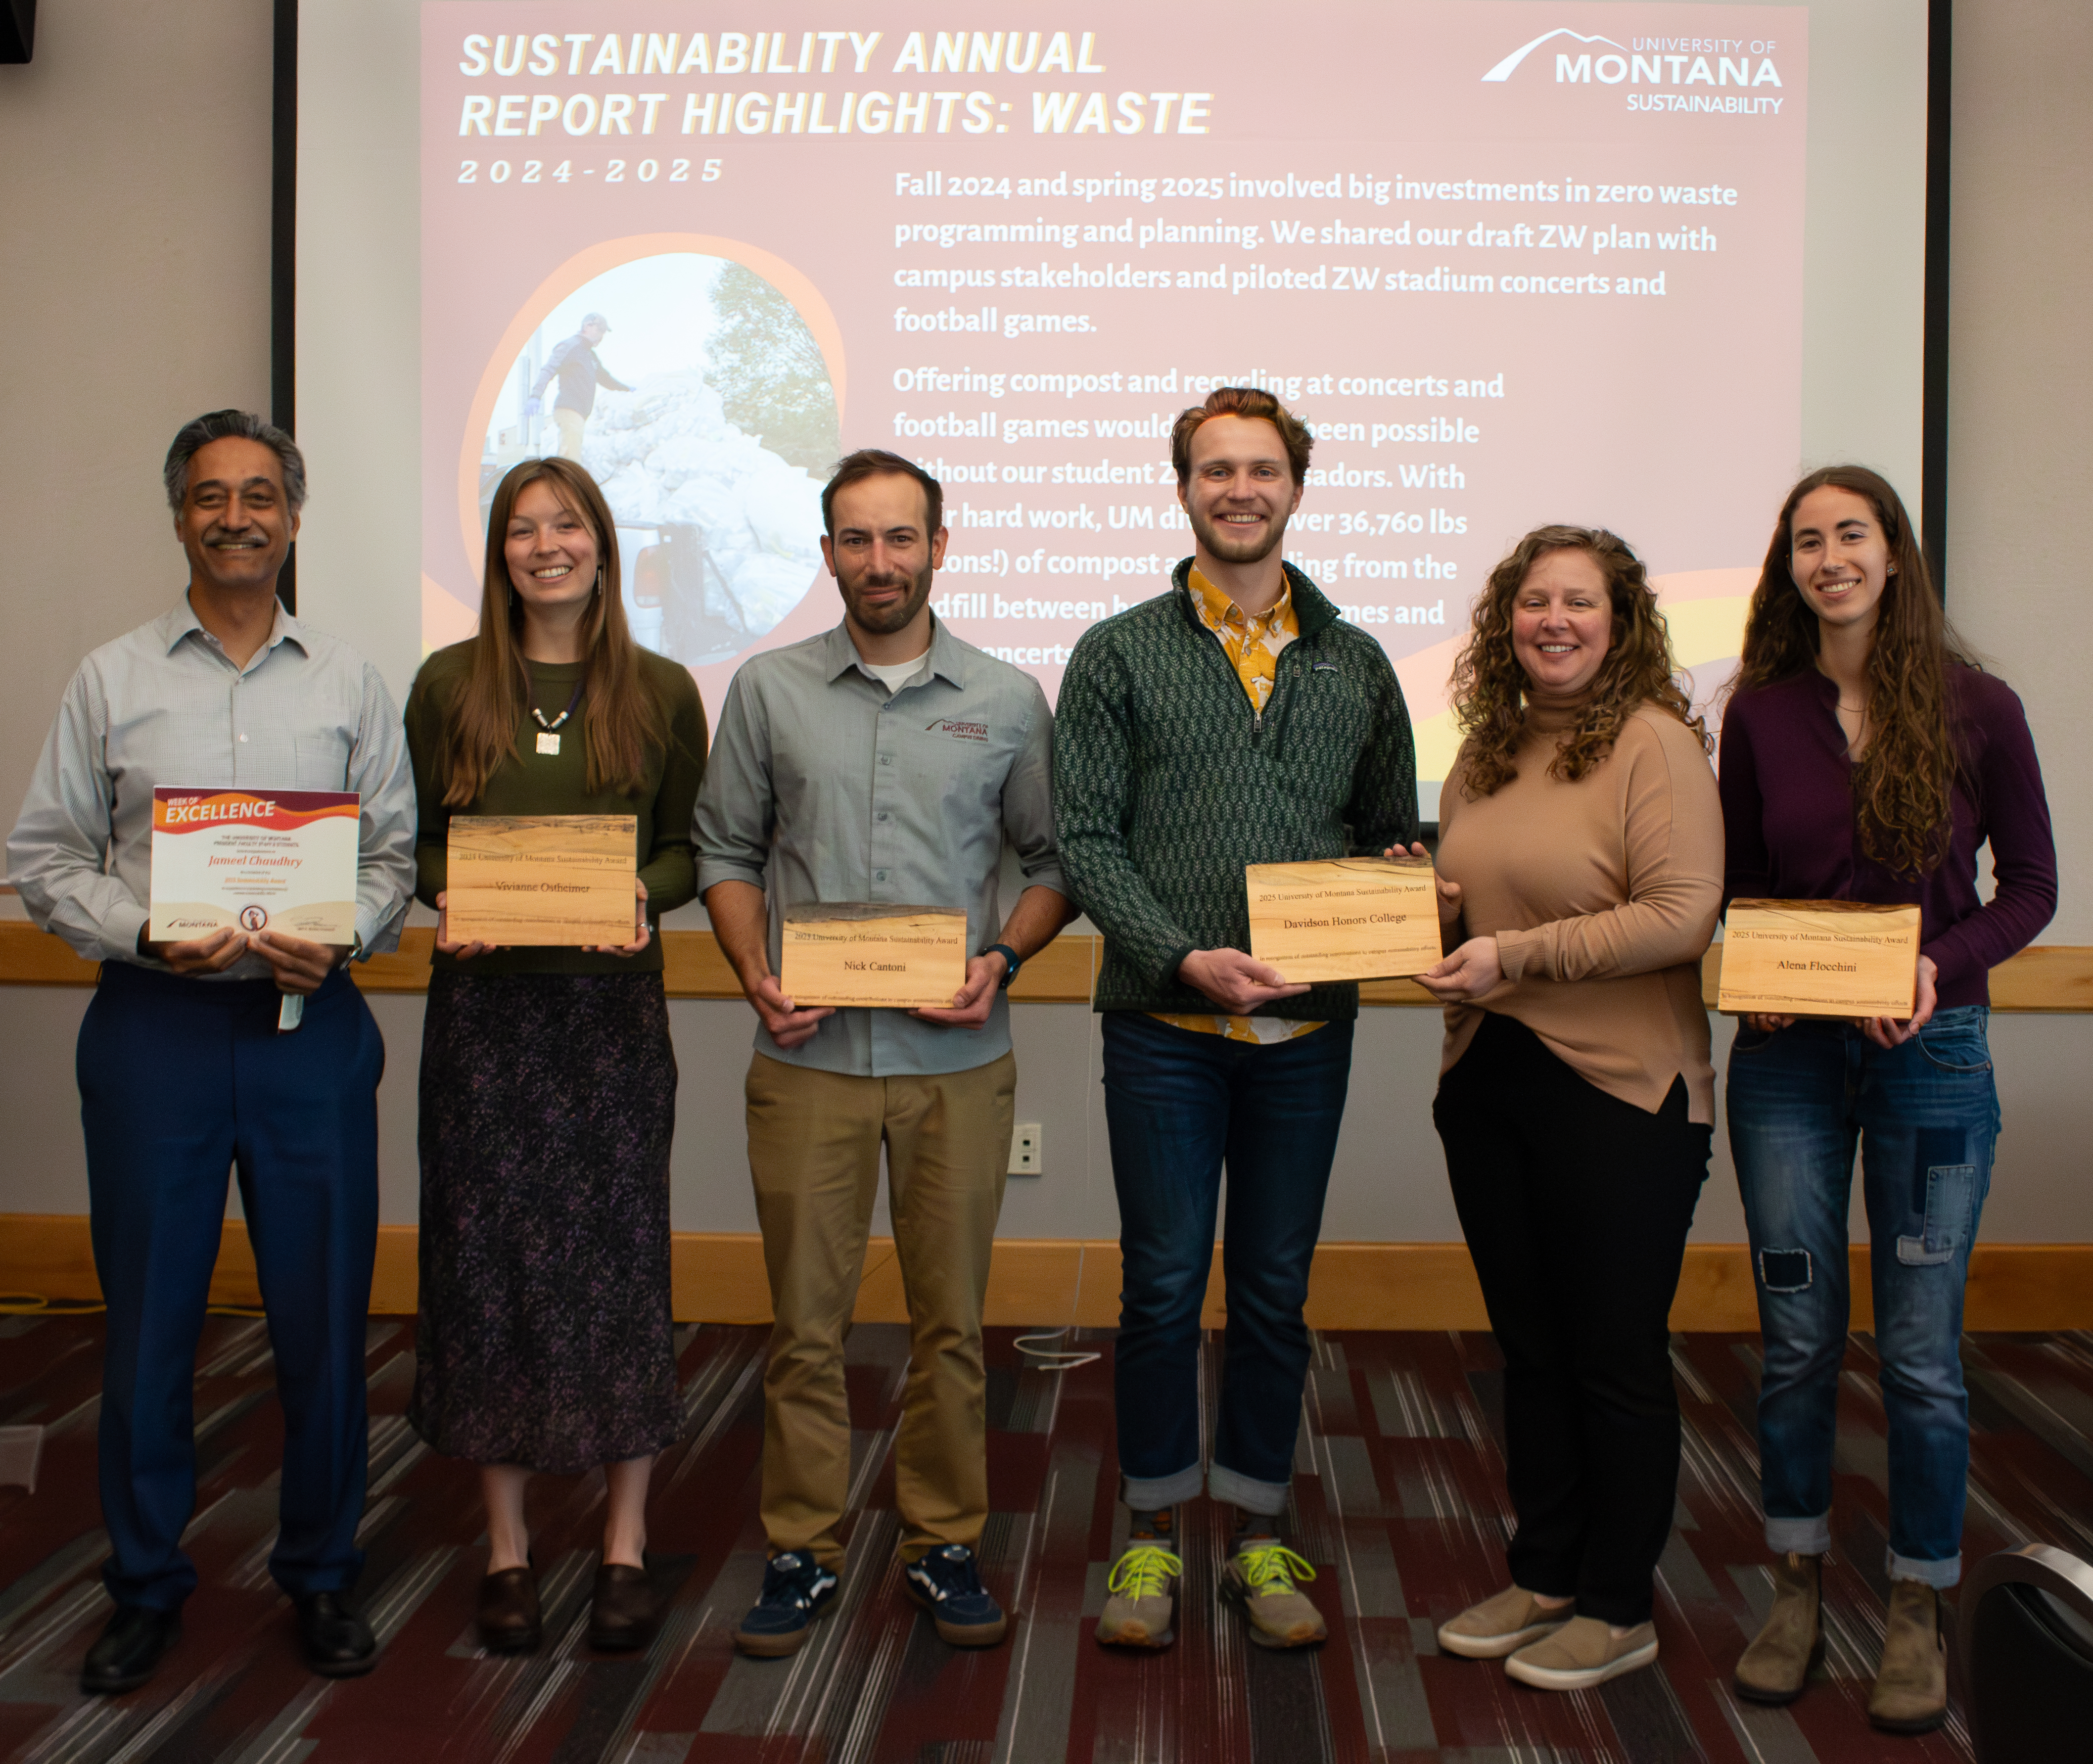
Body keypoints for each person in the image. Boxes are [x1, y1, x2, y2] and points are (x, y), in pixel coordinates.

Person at [7, 410, 416, 1690]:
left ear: (295, 516)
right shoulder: (110, 678)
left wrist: (340, 929)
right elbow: (44, 857)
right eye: (208, 495)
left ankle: (323, 1570)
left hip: (308, 1033)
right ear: (178, 515)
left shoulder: (350, 680)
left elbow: (392, 860)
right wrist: (143, 925)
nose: (235, 515)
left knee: (322, 1321)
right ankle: (144, 1579)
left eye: (258, 494)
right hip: (155, 1033)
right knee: (148, 1324)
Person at [1054, 386, 1417, 1654]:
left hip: (1308, 1039)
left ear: (1295, 488)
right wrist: (1175, 955)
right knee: (1159, 1289)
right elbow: (1083, 839)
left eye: (1262, 469)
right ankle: (1149, 1531)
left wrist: (1396, 902)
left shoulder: (1357, 660)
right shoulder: (1116, 651)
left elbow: (1387, 836)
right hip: (1161, 1031)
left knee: (1271, 1290)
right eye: (1216, 469)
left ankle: (1259, 1524)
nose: (1239, 489)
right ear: (1184, 488)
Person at [695, 448, 1070, 1658]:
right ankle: (802, 1548)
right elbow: (723, 851)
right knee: (804, 1325)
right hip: (806, 1059)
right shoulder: (767, 690)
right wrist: (755, 974)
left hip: (956, 1064)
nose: (878, 562)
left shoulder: (1008, 697)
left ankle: (941, 1539)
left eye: (899, 538)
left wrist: (1001, 959)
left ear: (939, 548)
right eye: (854, 540)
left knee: (948, 1323)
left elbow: (1055, 863)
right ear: (827, 555)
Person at [1720, 467, 2054, 1732]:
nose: (1828, 557)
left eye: (1850, 534)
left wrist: (1935, 965)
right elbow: (1743, 883)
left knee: (1919, 1354)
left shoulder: (1981, 707)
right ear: (1787, 566)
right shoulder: (1759, 712)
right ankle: (1794, 1579)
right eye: (1806, 540)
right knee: (1798, 1336)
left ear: (1894, 555)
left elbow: (2029, 887)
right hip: (1789, 1065)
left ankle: (1917, 1599)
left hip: (1934, 1058)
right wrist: (1750, 973)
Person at [401, 456, 707, 1656]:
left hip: (609, 1020)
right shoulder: (446, 683)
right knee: (488, 1269)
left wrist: (643, 889)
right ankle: (508, 1549)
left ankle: (625, 1543)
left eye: (565, 524)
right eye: (522, 529)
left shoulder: (667, 689)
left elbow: (686, 849)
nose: (545, 546)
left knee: (622, 1266)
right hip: (486, 1022)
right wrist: (446, 891)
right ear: (498, 553)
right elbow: (420, 843)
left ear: (601, 543)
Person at [1422, 526, 1721, 1692]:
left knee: (1611, 1355)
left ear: (1620, 618)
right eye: (1532, 601)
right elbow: (1470, 922)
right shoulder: (1481, 755)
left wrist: (1511, 954)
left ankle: (1616, 1601)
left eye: (1578, 602)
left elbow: (1680, 914)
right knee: (1530, 1351)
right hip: (1489, 1079)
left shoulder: (1653, 744)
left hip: (1621, 1089)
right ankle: (1543, 1570)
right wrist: (1434, 924)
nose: (1553, 619)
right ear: (1507, 621)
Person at [528, 313, 631, 462]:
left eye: (604, 332)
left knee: (573, 455)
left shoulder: (590, 356)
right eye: (600, 329)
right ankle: (564, 485)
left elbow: (605, 378)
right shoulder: (570, 346)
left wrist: (628, 390)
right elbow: (549, 369)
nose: (602, 335)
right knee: (570, 458)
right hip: (569, 409)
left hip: (580, 413)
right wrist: (535, 396)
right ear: (587, 326)